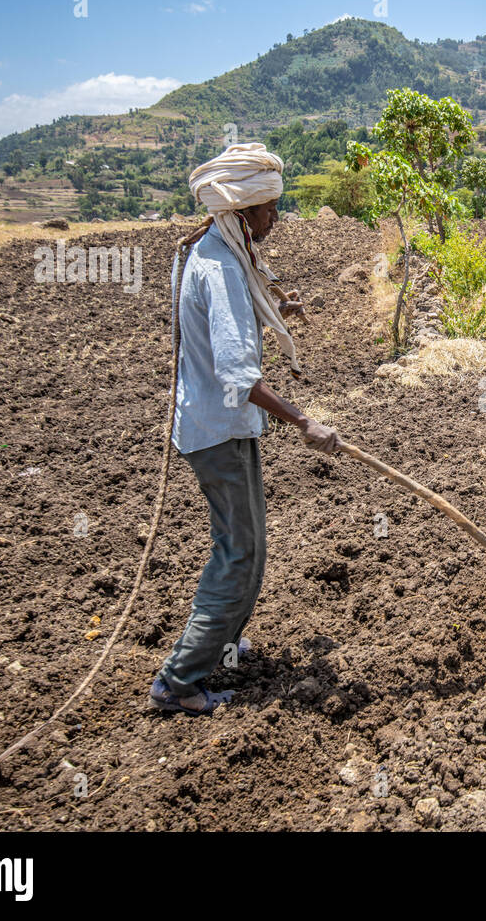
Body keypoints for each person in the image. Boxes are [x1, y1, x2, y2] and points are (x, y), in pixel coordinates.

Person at [148, 144, 339, 716]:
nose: (275, 217)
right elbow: (237, 374)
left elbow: (246, 304)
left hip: (220, 427)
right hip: (219, 430)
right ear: (240, 211)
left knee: (246, 548)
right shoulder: (221, 266)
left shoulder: (215, 251)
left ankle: (223, 648)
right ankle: (179, 681)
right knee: (239, 553)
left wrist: (284, 308)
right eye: (268, 208)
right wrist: (305, 421)